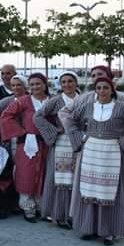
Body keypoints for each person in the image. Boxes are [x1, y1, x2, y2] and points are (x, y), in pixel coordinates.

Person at [65, 77, 124, 245]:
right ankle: (88, 228)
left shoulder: (122, 108)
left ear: (112, 89)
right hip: (90, 152)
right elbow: (70, 119)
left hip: (112, 153)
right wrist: (80, 138)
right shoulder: (88, 106)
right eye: (98, 88)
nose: (101, 91)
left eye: (105, 87)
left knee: (109, 191)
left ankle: (108, 232)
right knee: (89, 188)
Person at [0, 73, 50, 222]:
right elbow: (6, 115)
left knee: (44, 173)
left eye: (38, 83)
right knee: (26, 173)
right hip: (28, 143)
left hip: (47, 142)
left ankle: (42, 206)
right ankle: (28, 208)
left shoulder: (52, 100)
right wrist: (21, 131)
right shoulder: (24, 101)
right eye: (32, 84)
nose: (35, 87)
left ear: (44, 84)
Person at [34, 71, 80, 228]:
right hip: (62, 143)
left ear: (76, 82)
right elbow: (37, 116)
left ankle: (75, 214)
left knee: (77, 179)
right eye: (64, 82)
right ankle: (60, 215)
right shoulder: (56, 100)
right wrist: (54, 130)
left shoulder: (84, 99)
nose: (67, 84)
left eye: (70, 81)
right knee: (62, 180)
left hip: (79, 142)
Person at [0, 75, 28, 141]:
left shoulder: (31, 99)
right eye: (13, 85)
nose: (16, 87)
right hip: (13, 136)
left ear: (24, 86)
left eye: (18, 85)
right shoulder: (7, 101)